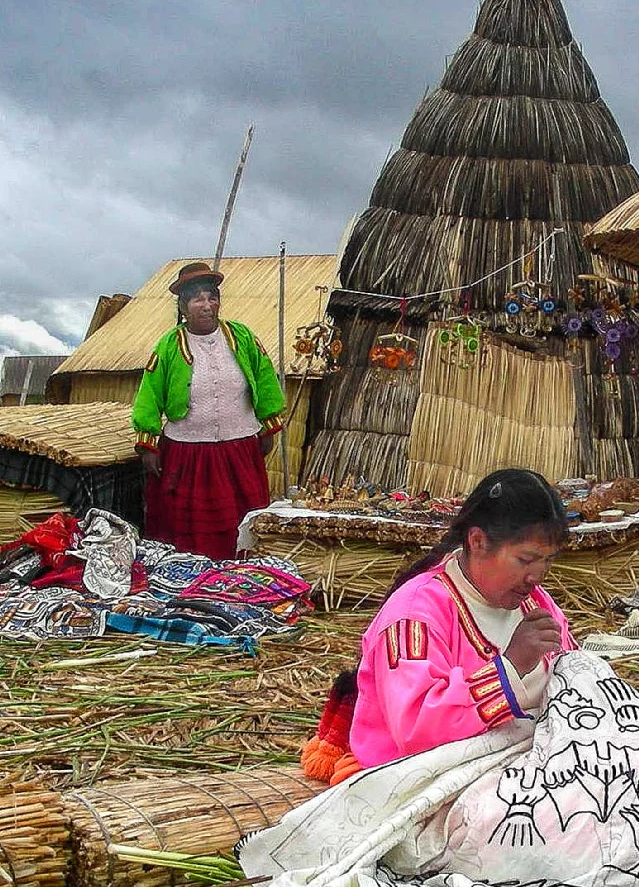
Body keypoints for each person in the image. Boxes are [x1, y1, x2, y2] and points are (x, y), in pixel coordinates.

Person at [302, 468, 576, 782]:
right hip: (430, 778)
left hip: (527, 763)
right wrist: (510, 667)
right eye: (525, 560)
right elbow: (415, 728)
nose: (537, 576)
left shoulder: (534, 602)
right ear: (477, 541)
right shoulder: (414, 615)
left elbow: (570, 673)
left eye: (548, 561)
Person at [133, 261, 286, 560]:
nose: (206, 305)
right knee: (187, 528)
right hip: (188, 454)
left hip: (239, 449)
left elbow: (266, 379)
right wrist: (148, 444)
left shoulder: (242, 338)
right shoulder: (168, 346)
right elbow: (149, 395)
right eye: (197, 298)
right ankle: (188, 579)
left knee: (243, 521)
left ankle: (241, 575)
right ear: (182, 305)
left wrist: (269, 425)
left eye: (211, 296)